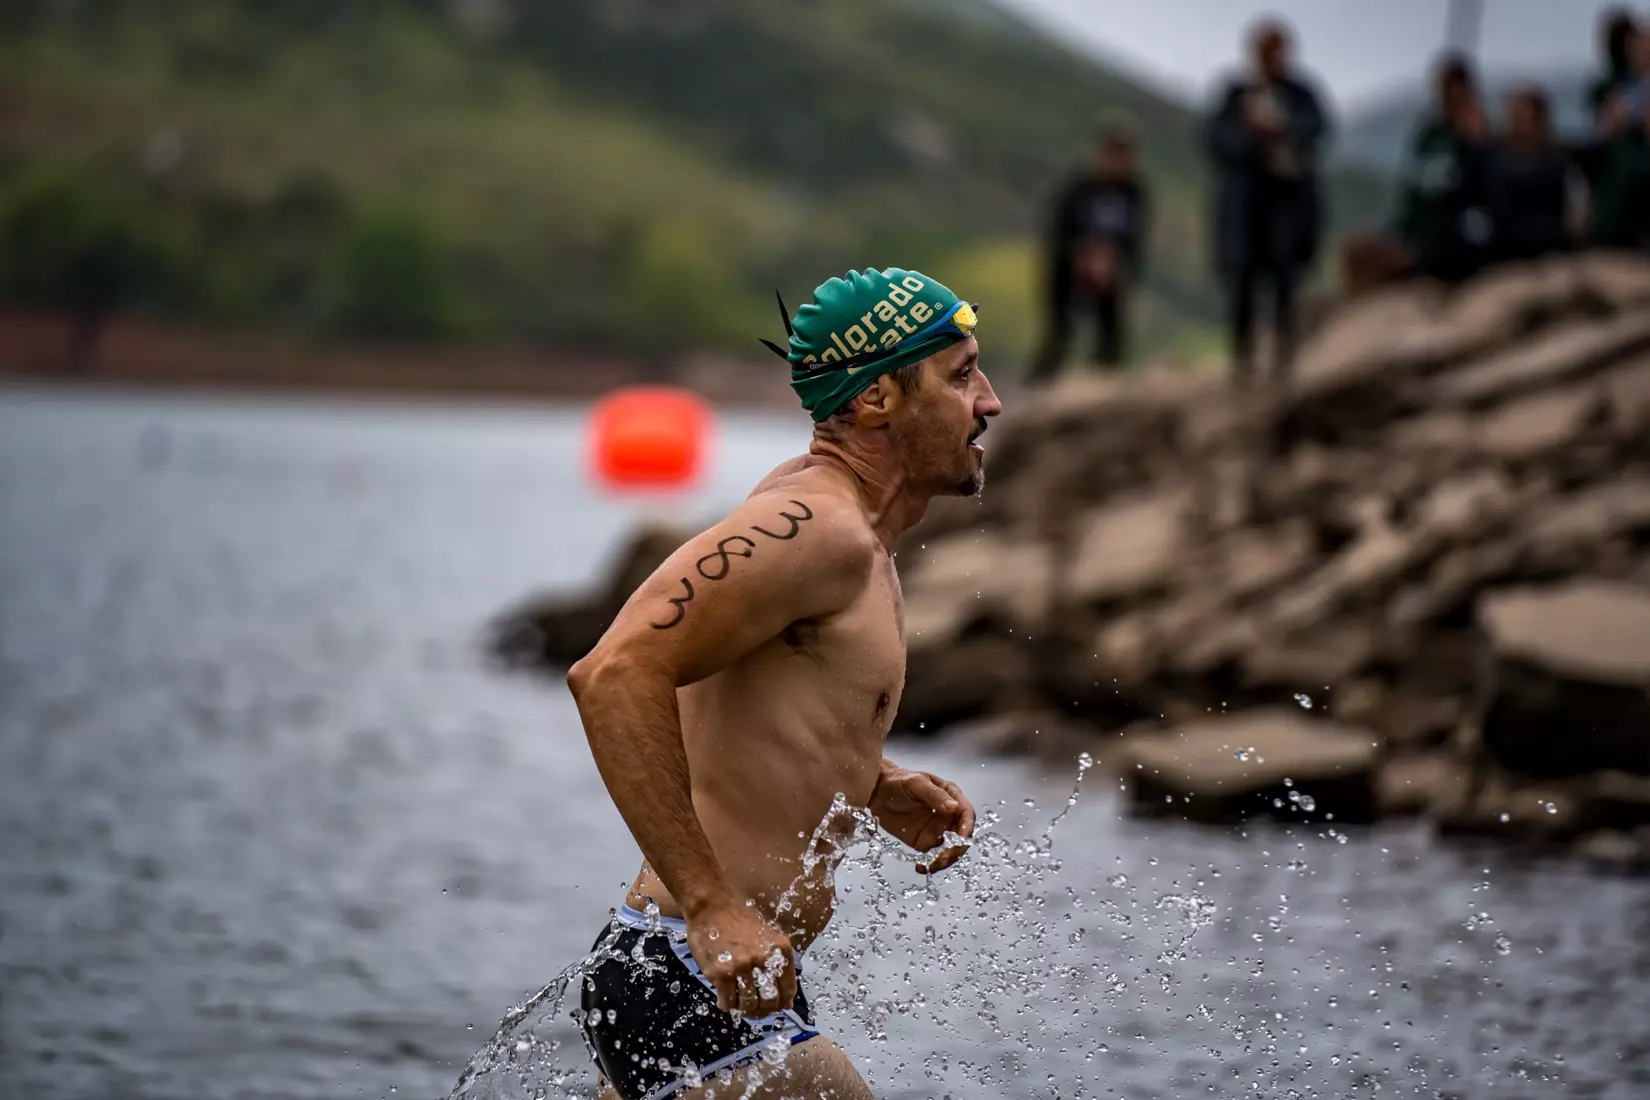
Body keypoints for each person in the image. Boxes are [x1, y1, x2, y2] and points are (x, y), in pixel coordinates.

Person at [567, 267, 998, 1100]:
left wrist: (871, 782)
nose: (989, 401)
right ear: (877, 399)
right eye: (961, 374)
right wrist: (712, 909)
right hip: (692, 971)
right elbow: (614, 673)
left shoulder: (841, 529)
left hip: (715, 977)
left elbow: (737, 711)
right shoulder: (813, 530)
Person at [1204, 18, 1330, 387]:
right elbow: (1214, 139)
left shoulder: (1300, 95)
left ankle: (1284, 362)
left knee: (1285, 286)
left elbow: (1319, 129)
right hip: (1245, 210)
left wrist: (1282, 129)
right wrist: (1251, 135)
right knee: (1243, 287)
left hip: (1287, 210)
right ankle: (1242, 364)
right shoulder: (1236, 94)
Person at [1028, 115, 1151, 379]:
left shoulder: (1134, 193)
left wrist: (1120, 269)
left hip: (1112, 273)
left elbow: (1136, 240)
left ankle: (1104, 381)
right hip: (1069, 270)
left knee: (1111, 335)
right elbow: (1056, 232)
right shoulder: (1078, 188)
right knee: (1059, 332)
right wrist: (1082, 257)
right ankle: (1041, 383)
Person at [1390, 53, 1494, 284]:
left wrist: (1476, 142)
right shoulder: (1430, 135)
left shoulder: (1479, 133)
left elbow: (1490, 185)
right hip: (1426, 232)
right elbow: (1415, 185)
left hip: (1465, 234)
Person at [1487, 86, 1574, 265]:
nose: (1515, 119)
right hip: (1507, 247)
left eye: (1521, 113)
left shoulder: (1554, 155)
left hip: (1547, 245)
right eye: (1513, 113)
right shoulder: (1498, 155)